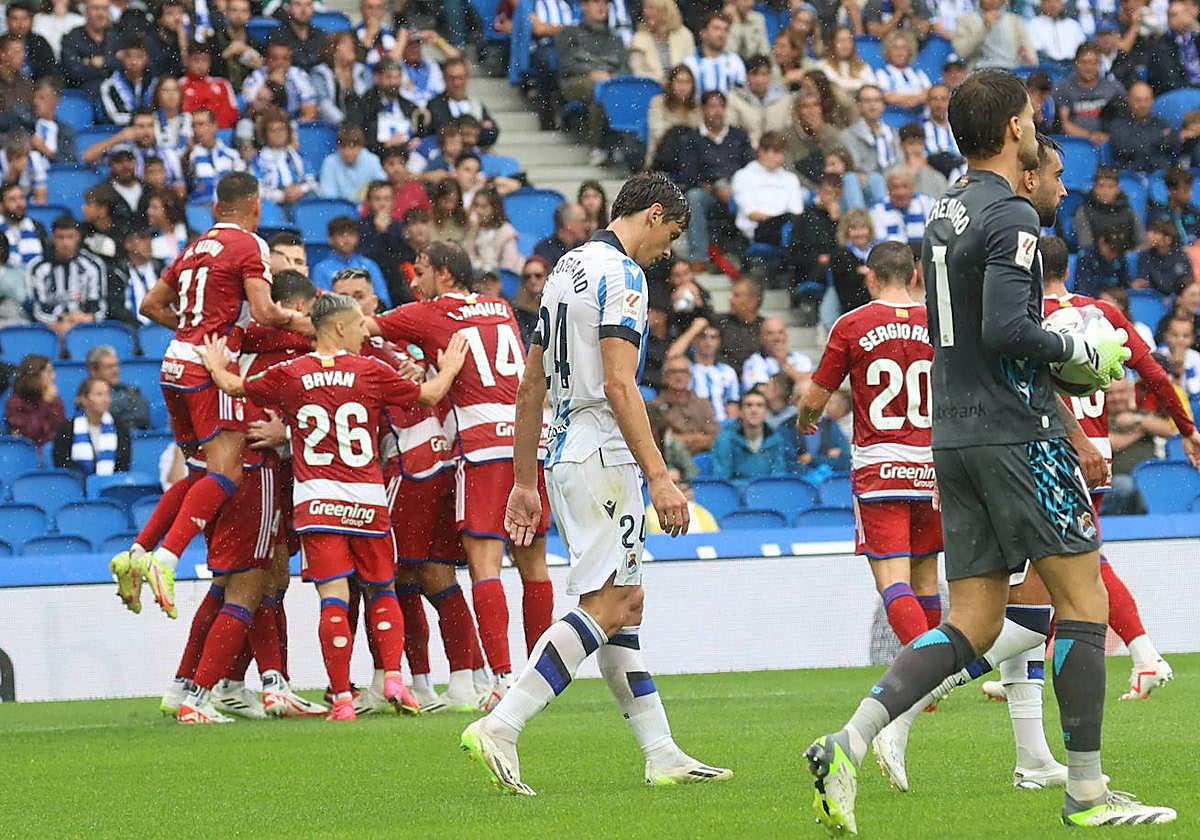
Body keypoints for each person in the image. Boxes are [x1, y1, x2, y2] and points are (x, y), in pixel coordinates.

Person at [804, 68, 1172, 833]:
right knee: (1083, 603)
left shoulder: (945, 210)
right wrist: (1077, 351)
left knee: (972, 618)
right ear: (1012, 127)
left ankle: (850, 739)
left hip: (954, 434)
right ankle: (1087, 793)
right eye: (1032, 117)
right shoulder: (1011, 218)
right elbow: (1009, 331)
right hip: (1016, 430)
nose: (1038, 127)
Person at [463, 170, 731, 794]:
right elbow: (618, 383)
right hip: (601, 447)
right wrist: (660, 477)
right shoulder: (623, 276)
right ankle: (502, 724)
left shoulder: (563, 270)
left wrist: (524, 480)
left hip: (563, 448)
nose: (669, 251)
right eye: (672, 235)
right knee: (605, 605)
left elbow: (530, 384)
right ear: (655, 213)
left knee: (627, 606)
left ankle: (660, 751)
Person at [191, 294, 466, 722]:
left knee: (333, 597)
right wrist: (449, 368)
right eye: (358, 324)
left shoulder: (289, 374)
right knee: (382, 589)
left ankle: (340, 698)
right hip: (367, 501)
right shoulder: (372, 371)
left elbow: (233, 387)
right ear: (338, 328)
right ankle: (393, 677)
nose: (363, 331)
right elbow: (428, 396)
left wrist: (212, 362)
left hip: (317, 503)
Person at [110, 172, 311, 621]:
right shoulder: (251, 245)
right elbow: (264, 310)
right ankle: (166, 559)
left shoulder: (196, 246)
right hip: (207, 369)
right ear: (255, 206)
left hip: (174, 363)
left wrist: (193, 333)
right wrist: (306, 325)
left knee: (198, 473)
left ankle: (137, 550)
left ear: (218, 207)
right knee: (228, 470)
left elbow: (150, 305)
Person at [369, 242, 551, 711]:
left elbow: (355, 328)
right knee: (533, 565)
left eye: (424, 271)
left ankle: (504, 679)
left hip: (482, 444)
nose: (416, 280)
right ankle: (540, 678)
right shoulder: (499, 306)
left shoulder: (432, 313)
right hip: (529, 442)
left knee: (484, 565)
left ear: (445, 275)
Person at [798, 239, 942, 650]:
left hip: (880, 468)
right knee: (927, 575)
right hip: (932, 467)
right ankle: (932, 681)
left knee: (893, 581)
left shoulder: (852, 324)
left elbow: (817, 397)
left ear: (871, 276)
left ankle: (928, 675)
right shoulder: (938, 321)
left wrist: (806, 420)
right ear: (915, 275)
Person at [681, 90, 755, 268]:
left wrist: (735, 188)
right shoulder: (692, 138)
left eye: (721, 106)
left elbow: (751, 167)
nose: (717, 111)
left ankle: (751, 258)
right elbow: (689, 174)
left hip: (739, 190)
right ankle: (699, 257)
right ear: (703, 109)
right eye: (712, 106)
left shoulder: (739, 135)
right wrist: (715, 187)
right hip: (709, 192)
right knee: (694, 198)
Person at [557, 0, 628, 166]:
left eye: (606, 3)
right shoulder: (569, 32)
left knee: (620, 91)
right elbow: (566, 63)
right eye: (596, 2)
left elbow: (625, 67)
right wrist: (591, 73)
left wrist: (613, 76)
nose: (602, 7)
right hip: (576, 81)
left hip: (610, 83)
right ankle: (598, 146)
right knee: (601, 90)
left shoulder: (615, 38)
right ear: (584, 6)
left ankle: (621, 146)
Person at [27, 216, 108, 336]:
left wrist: (85, 319)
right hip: (51, 328)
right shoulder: (38, 266)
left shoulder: (93, 265)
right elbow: (38, 309)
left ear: (78, 237)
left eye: (70, 237)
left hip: (84, 327)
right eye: (60, 237)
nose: (65, 243)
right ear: (52, 238)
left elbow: (99, 307)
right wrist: (60, 321)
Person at [730, 130, 804, 245]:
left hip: (787, 225)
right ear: (761, 152)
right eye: (775, 152)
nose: (780, 158)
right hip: (759, 229)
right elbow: (752, 214)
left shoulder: (790, 178)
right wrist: (778, 220)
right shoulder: (743, 176)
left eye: (782, 153)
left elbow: (796, 211)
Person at [52, 376, 132, 474]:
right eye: (99, 394)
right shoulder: (67, 428)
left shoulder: (120, 428)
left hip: (110, 485)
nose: (106, 399)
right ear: (84, 399)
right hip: (78, 485)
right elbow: (62, 463)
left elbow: (123, 465)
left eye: (107, 394)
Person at [1055, 43, 1126, 146]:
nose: (1088, 67)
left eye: (1093, 63)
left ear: (1099, 64)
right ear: (1076, 63)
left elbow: (1124, 120)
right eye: (1084, 62)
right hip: (1076, 144)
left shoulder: (1114, 87)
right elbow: (1064, 124)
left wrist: (1109, 137)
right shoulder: (1064, 88)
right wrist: (1090, 136)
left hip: (1109, 143)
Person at [710, 387, 788, 480]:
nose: (754, 410)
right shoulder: (725, 440)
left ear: (766, 412)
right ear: (740, 412)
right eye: (748, 405)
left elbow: (778, 478)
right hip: (736, 493)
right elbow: (722, 480)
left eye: (759, 405)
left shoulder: (776, 440)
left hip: (766, 492)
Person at [311, 216, 390, 307]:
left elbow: (383, 301)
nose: (347, 240)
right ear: (331, 239)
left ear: (357, 238)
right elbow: (323, 305)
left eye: (351, 234)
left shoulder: (369, 265)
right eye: (341, 235)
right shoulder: (321, 269)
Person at [841, 86, 899, 207]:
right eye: (867, 101)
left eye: (877, 100)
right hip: (864, 186)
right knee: (873, 179)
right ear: (858, 105)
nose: (872, 105)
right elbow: (854, 165)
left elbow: (900, 161)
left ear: (883, 105)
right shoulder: (848, 135)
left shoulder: (893, 133)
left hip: (893, 182)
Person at [424, 58, 499, 150]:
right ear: (444, 79)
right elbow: (441, 130)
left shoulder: (476, 104)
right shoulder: (435, 104)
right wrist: (478, 128)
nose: (457, 83)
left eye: (461, 78)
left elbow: (492, 133)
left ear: (467, 78)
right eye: (452, 78)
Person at [651, 356, 719, 453]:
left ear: (690, 376)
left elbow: (715, 436)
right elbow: (664, 441)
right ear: (665, 377)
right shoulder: (656, 406)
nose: (679, 376)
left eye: (683, 371)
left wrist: (686, 439)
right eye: (673, 372)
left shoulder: (703, 403)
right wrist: (697, 438)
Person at [242, 40, 319, 123]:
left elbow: (310, 110)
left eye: (285, 59)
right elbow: (250, 111)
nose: (280, 63)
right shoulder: (255, 77)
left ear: (290, 61)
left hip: (293, 123)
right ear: (267, 60)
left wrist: (292, 129)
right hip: (261, 124)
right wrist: (272, 84)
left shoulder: (299, 74)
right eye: (275, 58)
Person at [252, 110, 317, 207]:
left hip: (300, 202)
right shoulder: (257, 161)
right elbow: (257, 190)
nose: (278, 134)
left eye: (282, 129)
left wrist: (300, 190)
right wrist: (281, 196)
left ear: (288, 132)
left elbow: (313, 182)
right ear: (265, 134)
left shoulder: (298, 157)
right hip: (272, 206)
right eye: (272, 130)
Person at [952, 0, 1036, 69]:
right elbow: (961, 52)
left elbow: (1033, 59)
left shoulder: (1015, 21)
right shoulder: (966, 20)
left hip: (1011, 72)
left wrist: (1026, 58)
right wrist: (984, 29)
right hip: (979, 71)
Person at [185, 108, 245, 206]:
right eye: (193, 126)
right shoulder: (191, 155)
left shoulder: (232, 155)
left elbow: (241, 184)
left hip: (228, 207)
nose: (196, 130)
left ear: (214, 126)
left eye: (201, 124)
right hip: (200, 208)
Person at [646, 64, 701, 168]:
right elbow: (658, 133)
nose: (683, 87)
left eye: (687, 82)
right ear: (671, 84)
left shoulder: (696, 107)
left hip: (690, 161)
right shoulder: (658, 102)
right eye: (679, 82)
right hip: (663, 158)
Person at [60, 0, 119, 97]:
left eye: (104, 9)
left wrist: (94, 62)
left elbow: (124, 65)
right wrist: (108, 66)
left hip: (116, 96)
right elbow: (73, 71)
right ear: (86, 11)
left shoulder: (116, 37)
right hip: (84, 96)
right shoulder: (72, 38)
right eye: (95, 8)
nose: (100, 13)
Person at [5, 353, 65, 447]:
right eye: (49, 372)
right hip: (27, 453)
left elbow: (60, 431)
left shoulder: (55, 400)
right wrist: (46, 403)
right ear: (35, 376)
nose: (54, 376)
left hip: (51, 452)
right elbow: (31, 434)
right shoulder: (15, 402)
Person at [85, 345, 150, 430]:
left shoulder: (129, 389)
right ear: (93, 371)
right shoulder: (85, 392)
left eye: (116, 365)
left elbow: (143, 416)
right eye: (109, 367)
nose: (116, 371)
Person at [683, 11, 748, 97]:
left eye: (726, 30)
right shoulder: (689, 63)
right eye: (716, 28)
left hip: (731, 109)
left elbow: (742, 93)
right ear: (703, 33)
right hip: (696, 109)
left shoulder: (735, 61)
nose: (721, 34)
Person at [628, 0, 694, 83]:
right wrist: (660, 81)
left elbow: (691, 67)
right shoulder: (638, 39)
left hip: (681, 89)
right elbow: (637, 72)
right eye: (644, 8)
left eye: (651, 8)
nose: (646, 12)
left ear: (665, 10)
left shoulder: (684, 35)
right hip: (651, 89)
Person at [742, 315, 813, 390]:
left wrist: (785, 364)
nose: (777, 338)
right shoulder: (753, 361)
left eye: (780, 332)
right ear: (761, 338)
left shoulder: (802, 359)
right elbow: (760, 392)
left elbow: (810, 387)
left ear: (786, 336)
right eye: (770, 333)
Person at [871, 166, 937, 246]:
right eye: (895, 187)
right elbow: (881, 246)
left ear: (913, 187)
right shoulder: (877, 210)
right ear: (888, 189)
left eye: (905, 186)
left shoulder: (927, 203)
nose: (900, 193)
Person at [318, 126, 386, 203]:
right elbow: (329, 197)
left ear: (361, 147)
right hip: (340, 211)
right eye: (343, 147)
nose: (347, 152)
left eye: (352, 147)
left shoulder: (372, 160)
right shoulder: (329, 163)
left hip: (368, 210)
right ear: (337, 147)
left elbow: (382, 188)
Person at [100, 34, 156, 127]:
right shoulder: (110, 85)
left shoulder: (155, 83)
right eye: (129, 56)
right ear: (122, 57)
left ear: (146, 58)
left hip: (153, 129)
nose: (134, 61)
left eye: (139, 57)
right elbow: (116, 116)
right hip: (123, 131)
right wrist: (138, 120)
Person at [1147, 0, 1200, 93]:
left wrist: (1194, 24)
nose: (1181, 18)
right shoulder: (1162, 45)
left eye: (1184, 14)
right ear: (1168, 19)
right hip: (1182, 94)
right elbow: (1171, 81)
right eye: (1173, 15)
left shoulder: (1195, 38)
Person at [180, 45, 239, 130]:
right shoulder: (180, 86)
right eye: (196, 60)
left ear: (210, 62)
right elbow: (181, 115)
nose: (200, 64)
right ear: (188, 61)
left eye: (204, 60)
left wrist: (212, 129)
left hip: (221, 133)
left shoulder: (222, 84)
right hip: (191, 134)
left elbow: (232, 113)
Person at [715, 276, 765, 372]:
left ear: (752, 301)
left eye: (736, 296)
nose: (731, 300)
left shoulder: (765, 328)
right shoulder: (719, 322)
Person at [876, 31, 930, 111]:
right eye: (895, 48)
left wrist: (902, 98)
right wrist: (917, 99)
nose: (899, 52)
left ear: (910, 51)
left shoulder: (918, 73)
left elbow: (929, 94)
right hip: (895, 116)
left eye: (904, 48)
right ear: (888, 51)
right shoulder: (882, 73)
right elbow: (888, 98)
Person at [1137, 220, 1193, 297]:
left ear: (1168, 239)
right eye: (1149, 231)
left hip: (1178, 298)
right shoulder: (1145, 255)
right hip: (1154, 298)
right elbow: (1143, 280)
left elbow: (1171, 286)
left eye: (1155, 233)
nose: (1149, 235)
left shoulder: (1181, 256)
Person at [1147, 166, 1200, 246]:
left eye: (1190, 189)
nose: (1190, 194)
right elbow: (1154, 242)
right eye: (1185, 190)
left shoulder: (1194, 211)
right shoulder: (1157, 212)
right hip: (1168, 256)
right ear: (1172, 190)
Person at [30, 78, 79, 164]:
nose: (35, 102)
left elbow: (71, 163)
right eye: (34, 97)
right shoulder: (26, 126)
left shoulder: (65, 131)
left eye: (41, 98)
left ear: (56, 101)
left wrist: (44, 149)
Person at [817, 27, 878, 93]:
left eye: (849, 40)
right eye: (841, 40)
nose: (845, 44)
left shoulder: (863, 67)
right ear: (832, 43)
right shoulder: (822, 66)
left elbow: (874, 88)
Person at [0, 181, 46, 268]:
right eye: (12, 199)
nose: (19, 204)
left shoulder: (37, 227)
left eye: (21, 198)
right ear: (1, 205)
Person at [921, 83, 963, 178]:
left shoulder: (961, 127)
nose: (939, 104)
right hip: (932, 174)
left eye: (944, 99)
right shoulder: (919, 128)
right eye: (934, 99)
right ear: (927, 102)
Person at [1029, 0, 1087, 66]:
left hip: (1072, 66)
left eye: (1056, 1)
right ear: (1041, 4)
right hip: (1047, 67)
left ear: (1062, 4)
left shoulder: (1073, 25)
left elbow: (1082, 48)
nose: (1052, 5)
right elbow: (1038, 51)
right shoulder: (1033, 24)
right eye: (1048, 1)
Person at [898, 123, 948, 198]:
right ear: (902, 146)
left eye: (920, 144)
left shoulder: (936, 177)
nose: (916, 149)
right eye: (911, 144)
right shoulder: (894, 172)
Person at [533, 202, 589, 267]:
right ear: (568, 224)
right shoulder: (544, 250)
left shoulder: (585, 248)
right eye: (582, 221)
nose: (587, 226)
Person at [512, 256, 548, 346]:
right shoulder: (517, 312)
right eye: (527, 277)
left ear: (547, 276)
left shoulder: (555, 306)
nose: (533, 280)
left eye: (538, 276)